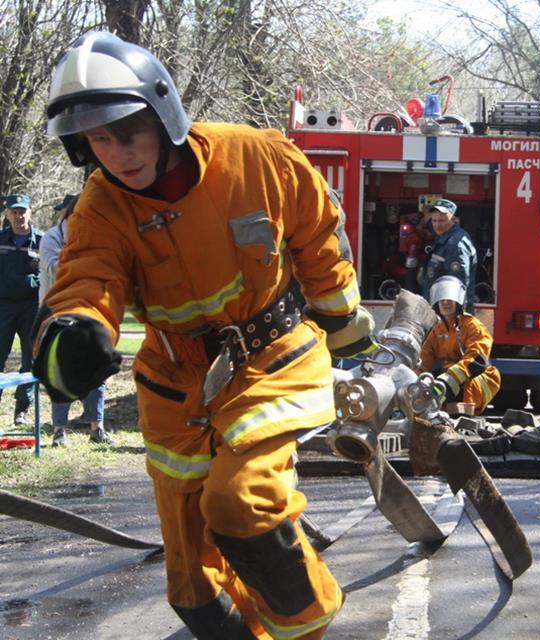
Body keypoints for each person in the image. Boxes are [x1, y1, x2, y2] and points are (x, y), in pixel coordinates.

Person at [35, 32, 375, 639]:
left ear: (162, 115)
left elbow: (318, 234)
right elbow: (86, 278)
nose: (117, 154)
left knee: (240, 502)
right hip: (174, 386)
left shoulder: (258, 158)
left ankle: (307, 626)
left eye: (127, 133)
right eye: (97, 140)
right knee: (191, 585)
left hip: (272, 359)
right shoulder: (100, 209)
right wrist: (75, 329)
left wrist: (344, 320)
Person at [37, 194, 110, 446]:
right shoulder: (52, 237)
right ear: (71, 213)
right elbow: (57, 270)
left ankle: (97, 428)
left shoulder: (99, 237)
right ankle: (59, 431)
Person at [419, 275, 501, 414]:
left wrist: (447, 380)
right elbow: (423, 358)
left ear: (459, 302)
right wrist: (418, 383)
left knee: (448, 379)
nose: (445, 302)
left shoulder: (471, 325)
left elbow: (477, 359)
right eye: (441, 299)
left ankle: (461, 411)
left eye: (450, 299)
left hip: (477, 379)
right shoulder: (437, 329)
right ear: (436, 303)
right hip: (450, 379)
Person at [0, 193, 42, 427]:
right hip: (3, 306)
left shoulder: (41, 241)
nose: (19, 216)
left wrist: (31, 283)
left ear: (30, 212)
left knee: (31, 359)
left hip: (31, 307)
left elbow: (48, 272)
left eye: (22, 211)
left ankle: (21, 411)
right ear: (7, 214)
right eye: (14, 212)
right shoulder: (1, 239)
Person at [420, 198, 477, 313]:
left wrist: (450, 319)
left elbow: (457, 286)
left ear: (453, 220)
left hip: (449, 314)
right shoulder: (445, 238)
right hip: (439, 309)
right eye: (434, 220)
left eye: (441, 220)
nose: (436, 225)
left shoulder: (455, 245)